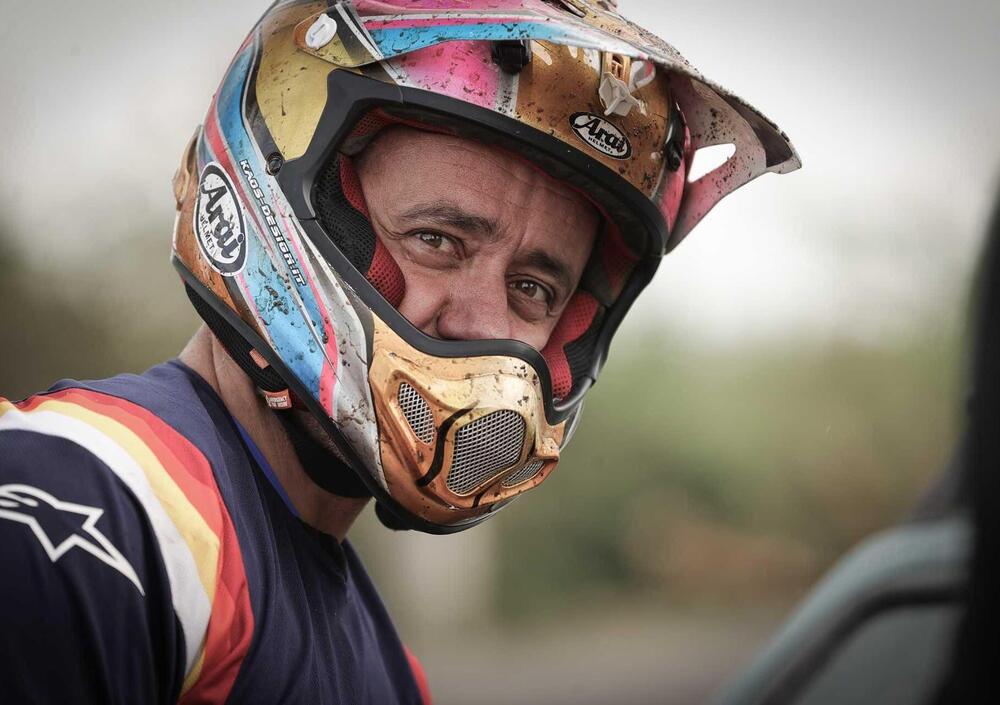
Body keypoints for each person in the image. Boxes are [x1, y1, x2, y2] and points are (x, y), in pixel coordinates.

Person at [0, 1, 798, 702]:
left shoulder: (383, 665)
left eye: (533, 288)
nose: (479, 321)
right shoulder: (89, 507)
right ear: (291, 193)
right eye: (437, 240)